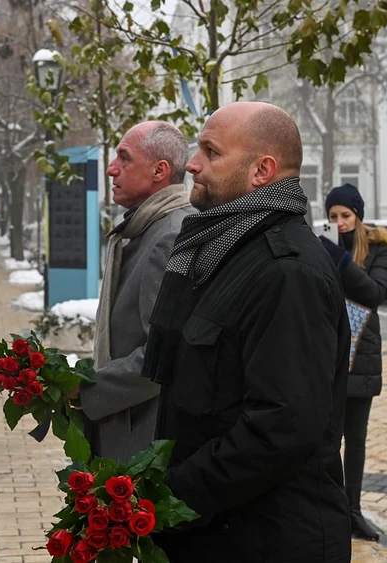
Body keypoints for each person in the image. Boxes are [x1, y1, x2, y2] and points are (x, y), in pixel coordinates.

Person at [143, 102, 351, 562]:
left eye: (210, 152)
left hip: (264, 540)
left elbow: (282, 428)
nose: (192, 164)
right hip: (215, 531)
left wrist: (167, 496)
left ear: (262, 171)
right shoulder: (223, 249)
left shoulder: (287, 272)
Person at [79, 121, 194, 462]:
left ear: (159, 170)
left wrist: (86, 387)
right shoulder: (147, 229)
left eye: (124, 159)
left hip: (144, 438)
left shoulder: (169, 236)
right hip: (131, 427)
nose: (112, 169)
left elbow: (160, 356)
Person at [321, 183, 387, 541]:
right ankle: (330, 508)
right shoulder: (322, 246)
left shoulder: (377, 248)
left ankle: (353, 511)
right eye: (333, 216)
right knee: (327, 437)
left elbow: (375, 292)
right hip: (327, 351)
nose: (340, 222)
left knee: (357, 438)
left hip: (362, 351)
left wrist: (342, 261)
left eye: (345, 215)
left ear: (357, 216)